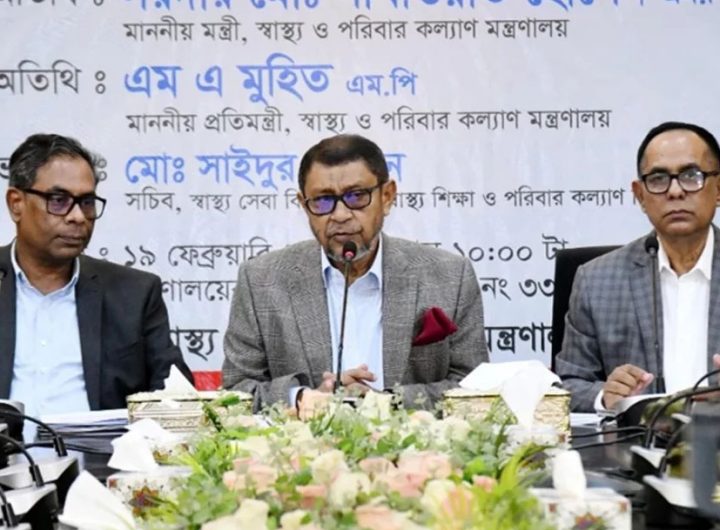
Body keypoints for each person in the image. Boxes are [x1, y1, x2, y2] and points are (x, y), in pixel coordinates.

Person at [223, 134, 488, 412]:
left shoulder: (450, 276)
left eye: (357, 196)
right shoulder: (261, 280)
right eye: (323, 200)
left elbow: (475, 388)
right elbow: (236, 388)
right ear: (304, 205)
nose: (340, 215)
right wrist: (301, 399)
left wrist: (386, 403)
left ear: (387, 196)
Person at [0, 133, 192, 418]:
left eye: (87, 202)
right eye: (58, 200)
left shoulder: (134, 293)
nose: (78, 216)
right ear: (16, 203)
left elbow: (177, 396)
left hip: (103, 448)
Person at [556, 121, 720, 411]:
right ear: (640, 195)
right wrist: (605, 396)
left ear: (718, 188)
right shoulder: (596, 281)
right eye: (658, 179)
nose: (675, 191)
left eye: (691, 176)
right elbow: (568, 383)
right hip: (635, 438)